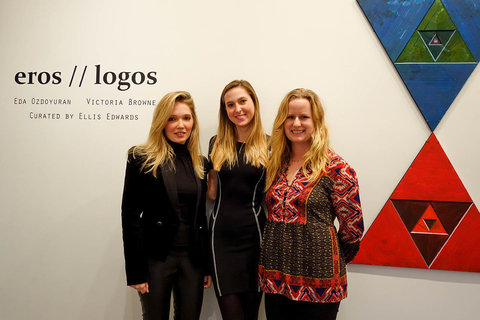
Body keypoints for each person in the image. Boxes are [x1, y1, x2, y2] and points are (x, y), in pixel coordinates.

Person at [258, 88, 364, 320]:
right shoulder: (274, 163)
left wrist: (324, 254)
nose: (296, 123)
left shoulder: (337, 169)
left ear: (316, 121)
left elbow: (353, 229)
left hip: (319, 278)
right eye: (290, 117)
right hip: (276, 275)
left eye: (304, 117)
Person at [121, 91, 211, 320]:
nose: (180, 125)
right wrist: (135, 272)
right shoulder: (140, 157)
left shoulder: (201, 163)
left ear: (193, 122)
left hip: (192, 260)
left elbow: (202, 217)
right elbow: (130, 215)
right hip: (156, 259)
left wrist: (206, 265)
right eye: (172, 118)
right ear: (161, 121)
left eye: (186, 118)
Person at [207, 80, 268, 320]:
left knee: (251, 315)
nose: (237, 109)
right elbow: (212, 194)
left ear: (254, 103)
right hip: (220, 240)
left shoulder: (271, 144)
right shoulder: (216, 143)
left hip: (256, 239)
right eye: (230, 105)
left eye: (243, 101)